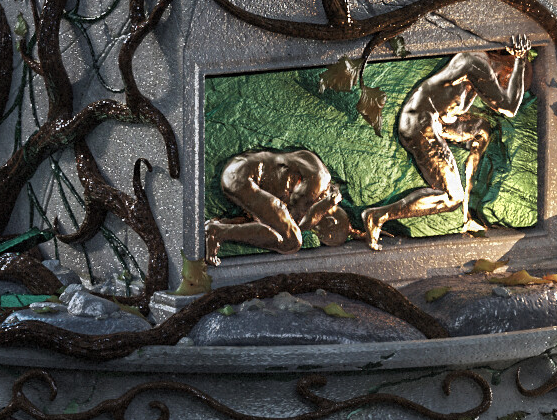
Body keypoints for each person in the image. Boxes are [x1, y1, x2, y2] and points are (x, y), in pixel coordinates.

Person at [360, 44, 535, 248]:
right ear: (507, 67)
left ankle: (468, 213)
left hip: (441, 123)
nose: (500, 86)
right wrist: (521, 60)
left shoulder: (481, 69)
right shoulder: (476, 63)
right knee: (452, 197)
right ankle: (377, 216)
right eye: (505, 82)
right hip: (419, 123)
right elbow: (509, 107)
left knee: (483, 130)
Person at [203, 147, 357, 264]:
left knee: (275, 227)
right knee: (292, 241)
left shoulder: (317, 183)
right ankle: (218, 232)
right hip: (242, 177)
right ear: (330, 221)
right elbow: (295, 225)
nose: (314, 231)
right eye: (321, 232)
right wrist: (321, 207)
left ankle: (220, 226)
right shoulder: (319, 182)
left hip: (239, 175)